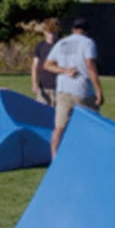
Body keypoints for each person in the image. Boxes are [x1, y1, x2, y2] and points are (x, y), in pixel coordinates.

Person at [43, 15, 103, 158]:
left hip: (63, 90)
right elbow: (90, 65)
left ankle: (54, 156)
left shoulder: (62, 43)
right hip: (82, 90)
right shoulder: (88, 43)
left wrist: (64, 70)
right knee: (94, 124)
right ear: (87, 30)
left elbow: (47, 65)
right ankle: (92, 155)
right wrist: (98, 90)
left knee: (59, 127)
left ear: (72, 29)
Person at [30, 18, 60, 106]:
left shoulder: (61, 46)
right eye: (49, 32)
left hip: (58, 87)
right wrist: (34, 83)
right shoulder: (40, 46)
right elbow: (35, 66)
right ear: (45, 32)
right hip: (43, 86)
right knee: (41, 113)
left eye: (54, 32)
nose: (51, 35)